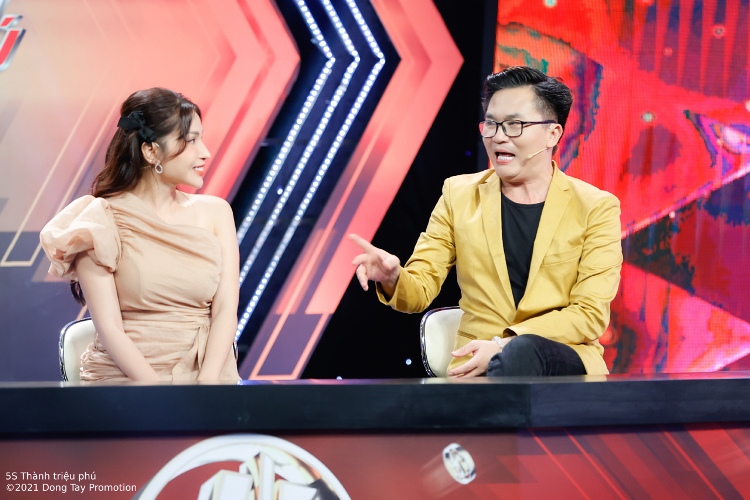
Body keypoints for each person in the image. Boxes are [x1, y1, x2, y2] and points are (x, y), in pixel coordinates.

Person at [350, 66, 622, 377]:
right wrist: (393, 277)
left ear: (553, 133)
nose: (498, 137)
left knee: (523, 354)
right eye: (491, 124)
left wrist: (504, 345)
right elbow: (418, 293)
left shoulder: (595, 207)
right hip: (476, 368)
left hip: (561, 367)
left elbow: (589, 314)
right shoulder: (458, 195)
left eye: (515, 125)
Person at [40, 88, 240, 382]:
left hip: (205, 376)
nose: (205, 152)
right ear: (151, 151)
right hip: (129, 380)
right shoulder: (97, 220)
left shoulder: (217, 213)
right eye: (191, 141)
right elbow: (109, 327)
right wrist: (153, 391)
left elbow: (225, 308)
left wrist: (207, 383)